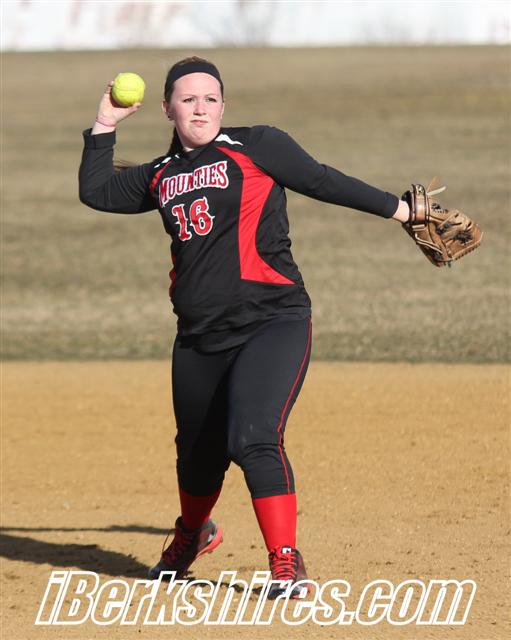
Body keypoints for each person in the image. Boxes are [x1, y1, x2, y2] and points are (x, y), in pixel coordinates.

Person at [79, 56, 410, 599]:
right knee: (197, 454)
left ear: (223, 106)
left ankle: (285, 561)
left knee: (253, 436)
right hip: (199, 337)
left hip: (272, 320)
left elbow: (322, 180)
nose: (200, 109)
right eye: (188, 99)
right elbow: (96, 191)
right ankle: (192, 534)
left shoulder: (256, 145)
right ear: (166, 108)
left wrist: (403, 212)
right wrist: (105, 123)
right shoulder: (160, 174)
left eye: (210, 99)